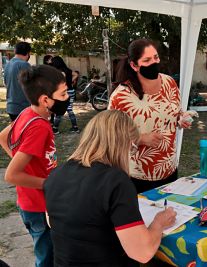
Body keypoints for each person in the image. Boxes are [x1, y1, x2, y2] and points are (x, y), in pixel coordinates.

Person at [44, 110, 177, 266]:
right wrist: (159, 223)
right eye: (132, 147)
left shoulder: (56, 175)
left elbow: (52, 222)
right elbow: (143, 253)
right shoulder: (115, 182)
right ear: (123, 143)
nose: (131, 154)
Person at [0, 65, 70, 267]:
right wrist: (49, 184)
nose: (67, 98)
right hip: (39, 207)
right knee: (47, 258)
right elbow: (11, 175)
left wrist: (23, 164)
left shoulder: (27, 113)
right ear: (45, 100)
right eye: (63, 94)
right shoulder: (39, 126)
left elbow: (3, 137)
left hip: (29, 202)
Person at [109, 39, 192, 193]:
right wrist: (140, 138)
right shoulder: (121, 96)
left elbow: (175, 111)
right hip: (137, 176)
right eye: (147, 60)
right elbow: (110, 136)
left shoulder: (170, 83)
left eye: (156, 57)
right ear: (134, 65)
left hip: (169, 169)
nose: (154, 63)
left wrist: (181, 119)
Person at [51, 56, 80, 134]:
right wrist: (70, 81)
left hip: (63, 92)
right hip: (71, 90)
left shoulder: (58, 72)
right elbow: (76, 75)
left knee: (59, 110)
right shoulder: (68, 70)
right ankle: (75, 127)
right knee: (70, 109)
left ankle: (55, 129)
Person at [4, 42, 32, 121]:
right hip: (23, 107)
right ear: (28, 53)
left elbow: (6, 83)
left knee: (16, 132)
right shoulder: (24, 65)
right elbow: (32, 86)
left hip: (11, 106)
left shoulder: (7, 64)